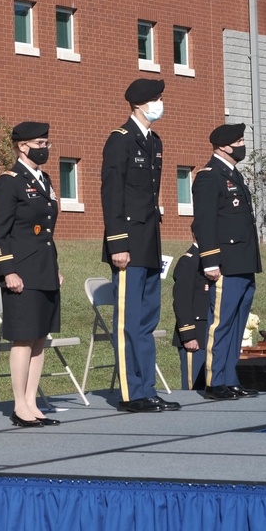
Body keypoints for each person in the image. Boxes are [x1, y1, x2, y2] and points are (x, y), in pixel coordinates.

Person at [100, 78, 180, 413]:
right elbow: (112, 194)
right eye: (155, 99)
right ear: (138, 104)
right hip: (127, 245)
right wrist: (117, 243)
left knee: (147, 320)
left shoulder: (154, 141)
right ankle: (131, 393)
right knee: (128, 321)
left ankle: (147, 387)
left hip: (148, 243)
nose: (159, 104)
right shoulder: (120, 141)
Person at [0, 122, 62, 428]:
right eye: (40, 142)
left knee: (39, 338)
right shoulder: (10, 181)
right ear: (22, 146)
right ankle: (19, 406)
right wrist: (7, 270)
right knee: (23, 338)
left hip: (43, 267)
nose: (45, 147)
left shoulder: (43, 179)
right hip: (20, 271)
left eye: (47, 142)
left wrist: (54, 268)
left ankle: (32, 401)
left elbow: (46, 230)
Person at [192, 122, 262, 400]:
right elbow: (205, 223)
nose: (242, 145)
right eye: (239, 140)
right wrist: (210, 260)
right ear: (223, 146)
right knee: (220, 324)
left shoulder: (234, 175)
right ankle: (214, 381)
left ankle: (230, 377)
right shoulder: (210, 176)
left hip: (243, 262)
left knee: (237, 324)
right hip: (225, 264)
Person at [171, 241, 208, 391]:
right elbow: (182, 300)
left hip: (208, 333)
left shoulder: (207, 260)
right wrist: (188, 335)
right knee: (193, 388)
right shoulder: (189, 261)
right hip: (196, 336)